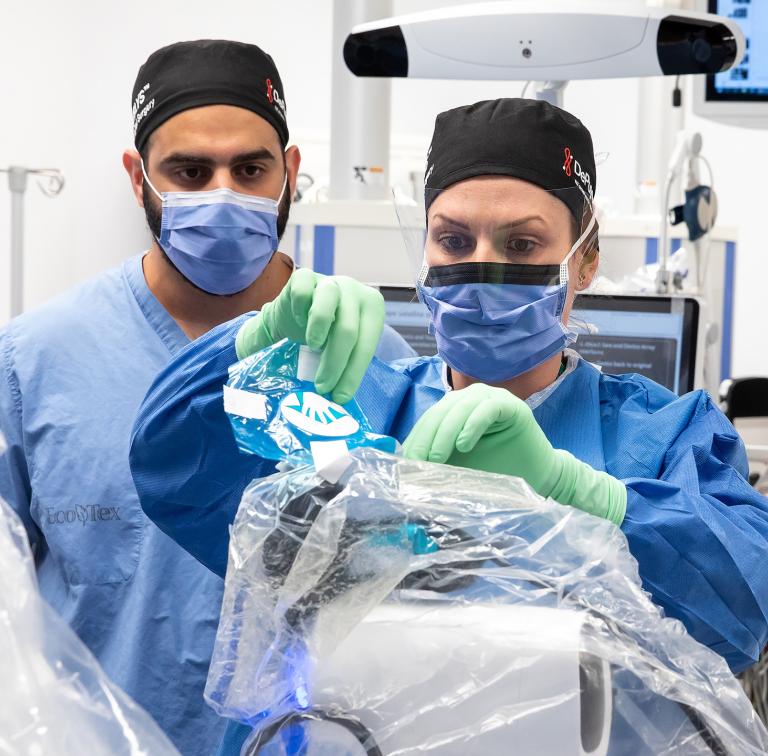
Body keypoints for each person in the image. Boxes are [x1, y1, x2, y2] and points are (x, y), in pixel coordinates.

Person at [129, 99, 768, 753]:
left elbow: (741, 606)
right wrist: (257, 340)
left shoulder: (662, 434)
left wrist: (573, 490)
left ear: (584, 260)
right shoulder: (349, 412)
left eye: (521, 244)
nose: (482, 267)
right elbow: (175, 468)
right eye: (455, 241)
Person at [0, 39, 412, 756]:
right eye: (189, 172)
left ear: (289, 173)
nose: (223, 194)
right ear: (138, 178)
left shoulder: (372, 360)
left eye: (250, 170)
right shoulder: (36, 360)